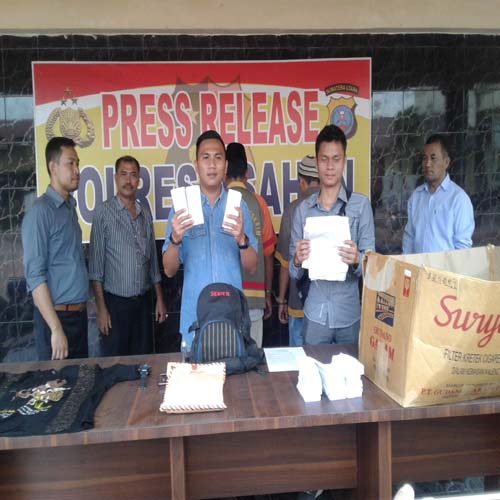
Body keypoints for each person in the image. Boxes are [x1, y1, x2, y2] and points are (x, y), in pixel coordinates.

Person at [162, 130, 257, 350]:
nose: (212, 164)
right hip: (194, 323)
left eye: (218, 157)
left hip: (232, 319)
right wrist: (175, 239)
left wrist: (241, 239)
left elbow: (252, 267)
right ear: (196, 165)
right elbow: (168, 270)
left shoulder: (238, 206)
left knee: (234, 372)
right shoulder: (182, 207)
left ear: (226, 165)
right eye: (205, 157)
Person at [289, 125, 375, 346]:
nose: (329, 166)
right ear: (317, 162)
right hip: (315, 313)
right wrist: (297, 259)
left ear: (344, 161)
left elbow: (373, 266)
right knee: (312, 367)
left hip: (349, 313)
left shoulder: (360, 205)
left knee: (352, 368)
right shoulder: (303, 210)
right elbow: (292, 270)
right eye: (324, 159)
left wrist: (357, 259)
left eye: (336, 159)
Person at [89, 155, 167, 356]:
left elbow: (153, 263)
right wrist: (101, 309)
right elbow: (95, 269)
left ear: (138, 179)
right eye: (123, 174)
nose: (128, 180)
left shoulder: (144, 213)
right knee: (116, 364)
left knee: (144, 362)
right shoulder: (103, 212)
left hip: (143, 304)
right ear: (115, 178)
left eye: (133, 175)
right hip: (115, 305)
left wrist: (159, 298)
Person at [22, 137, 88, 360]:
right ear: (53, 167)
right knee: (58, 381)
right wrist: (56, 329)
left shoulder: (69, 207)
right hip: (56, 321)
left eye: (77, 163)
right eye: (70, 163)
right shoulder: (40, 213)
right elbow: (35, 277)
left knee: (82, 379)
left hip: (78, 318)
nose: (77, 170)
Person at [225, 142, 277, 348]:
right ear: (246, 172)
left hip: (224, 300)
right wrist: (267, 294)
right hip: (254, 299)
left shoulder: (217, 202)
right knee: (253, 358)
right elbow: (267, 253)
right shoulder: (258, 203)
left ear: (224, 170)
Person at [402, 134, 474, 254]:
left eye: (433, 158)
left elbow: (463, 248)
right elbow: (409, 237)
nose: (427, 164)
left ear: (446, 162)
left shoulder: (458, 199)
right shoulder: (416, 197)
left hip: (445, 266)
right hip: (417, 266)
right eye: (424, 158)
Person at [275, 155, 320, 346]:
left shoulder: (293, 209)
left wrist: (281, 300)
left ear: (301, 181)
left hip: (298, 303)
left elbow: (286, 263)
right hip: (327, 309)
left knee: (298, 360)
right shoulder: (336, 206)